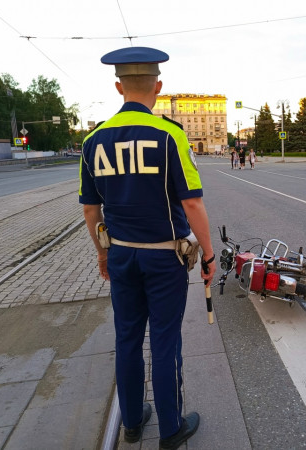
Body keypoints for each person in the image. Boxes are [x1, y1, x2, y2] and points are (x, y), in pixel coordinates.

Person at [79, 46, 216, 448]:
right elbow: (192, 203)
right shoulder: (170, 135)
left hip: (121, 254)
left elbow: (91, 210)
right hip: (164, 256)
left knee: (126, 337)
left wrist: (103, 253)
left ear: (119, 86)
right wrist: (208, 256)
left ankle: (134, 421)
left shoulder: (92, 140)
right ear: (158, 86)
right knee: (165, 339)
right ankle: (171, 429)